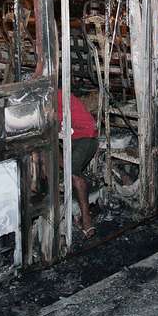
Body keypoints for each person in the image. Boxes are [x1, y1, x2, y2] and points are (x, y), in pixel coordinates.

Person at [57, 88, 99, 239]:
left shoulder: (58, 96)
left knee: (73, 172)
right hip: (73, 138)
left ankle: (87, 220)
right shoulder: (51, 98)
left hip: (87, 137)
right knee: (46, 154)